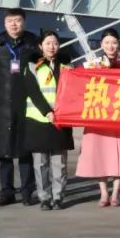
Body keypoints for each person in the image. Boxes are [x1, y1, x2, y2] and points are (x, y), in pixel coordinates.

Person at [0, 8, 39, 206]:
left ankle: (27, 192)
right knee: (3, 151)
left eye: (17, 20)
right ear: (4, 23)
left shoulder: (33, 44)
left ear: (24, 22)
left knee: (25, 151)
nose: (14, 24)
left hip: (26, 104)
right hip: (1, 104)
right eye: (10, 21)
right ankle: (7, 192)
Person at [21, 30, 74, 211]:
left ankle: (58, 197)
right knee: (40, 163)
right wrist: (47, 112)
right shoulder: (32, 66)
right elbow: (33, 91)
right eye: (48, 43)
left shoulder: (67, 66)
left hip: (61, 120)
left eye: (55, 43)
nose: (52, 47)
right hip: (38, 120)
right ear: (40, 46)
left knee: (59, 163)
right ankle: (44, 197)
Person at [74, 29, 120, 207]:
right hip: (98, 116)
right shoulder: (94, 64)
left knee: (119, 155)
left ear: (118, 44)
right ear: (101, 45)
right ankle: (104, 192)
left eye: (114, 42)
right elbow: (77, 76)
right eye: (107, 43)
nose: (110, 46)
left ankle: (116, 192)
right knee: (100, 153)